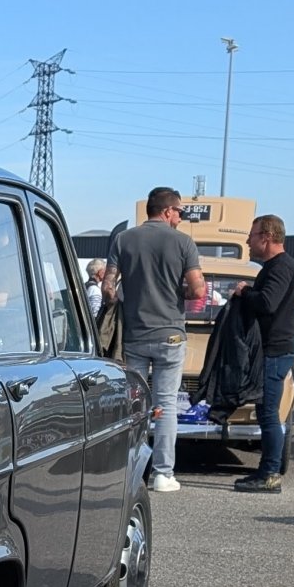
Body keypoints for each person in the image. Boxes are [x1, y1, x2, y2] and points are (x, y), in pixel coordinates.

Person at [102, 187, 206, 493]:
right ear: (168, 211)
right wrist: (178, 293)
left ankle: (132, 471)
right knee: (166, 406)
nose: (181, 218)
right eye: (180, 213)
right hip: (170, 335)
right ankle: (163, 474)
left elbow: (108, 288)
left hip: (133, 336)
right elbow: (198, 290)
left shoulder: (124, 239)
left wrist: (126, 297)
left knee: (135, 405)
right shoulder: (183, 242)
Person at [230, 214, 294, 493]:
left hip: (275, 350)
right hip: (272, 348)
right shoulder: (276, 266)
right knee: (265, 411)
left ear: (266, 237)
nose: (248, 240)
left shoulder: (280, 267)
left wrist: (245, 291)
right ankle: (264, 470)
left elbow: (268, 303)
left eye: (252, 234)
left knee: (269, 414)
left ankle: (270, 474)